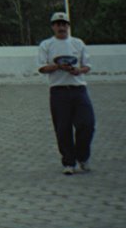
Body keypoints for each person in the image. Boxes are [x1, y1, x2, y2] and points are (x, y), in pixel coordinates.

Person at [38, 11, 95, 175]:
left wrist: (78, 70)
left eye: (64, 24)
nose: (61, 27)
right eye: (57, 24)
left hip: (78, 89)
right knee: (63, 128)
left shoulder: (78, 43)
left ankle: (83, 156)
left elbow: (87, 66)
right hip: (58, 91)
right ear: (53, 27)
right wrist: (58, 67)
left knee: (87, 124)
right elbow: (42, 67)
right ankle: (68, 162)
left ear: (68, 26)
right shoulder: (46, 45)